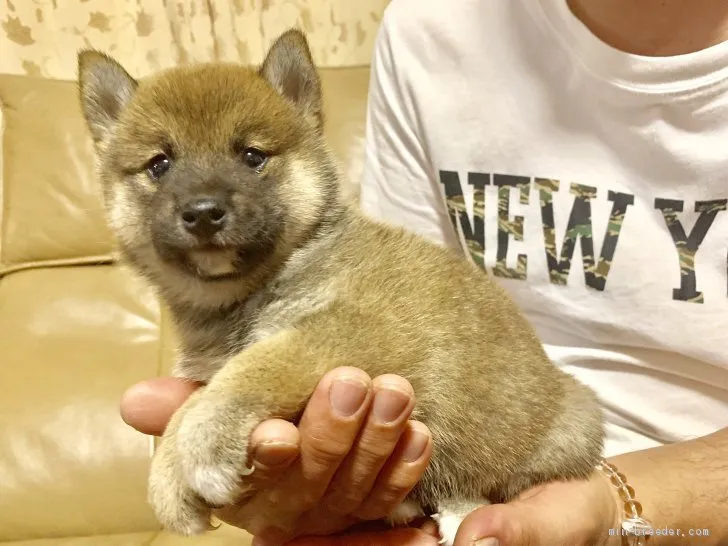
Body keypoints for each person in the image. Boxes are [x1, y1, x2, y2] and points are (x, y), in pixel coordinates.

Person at [121, 0, 728, 544]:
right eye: (159, 164)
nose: (201, 202)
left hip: (578, 460)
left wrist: (621, 508)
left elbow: (342, 331)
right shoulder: (429, 27)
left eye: (252, 158)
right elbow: (398, 322)